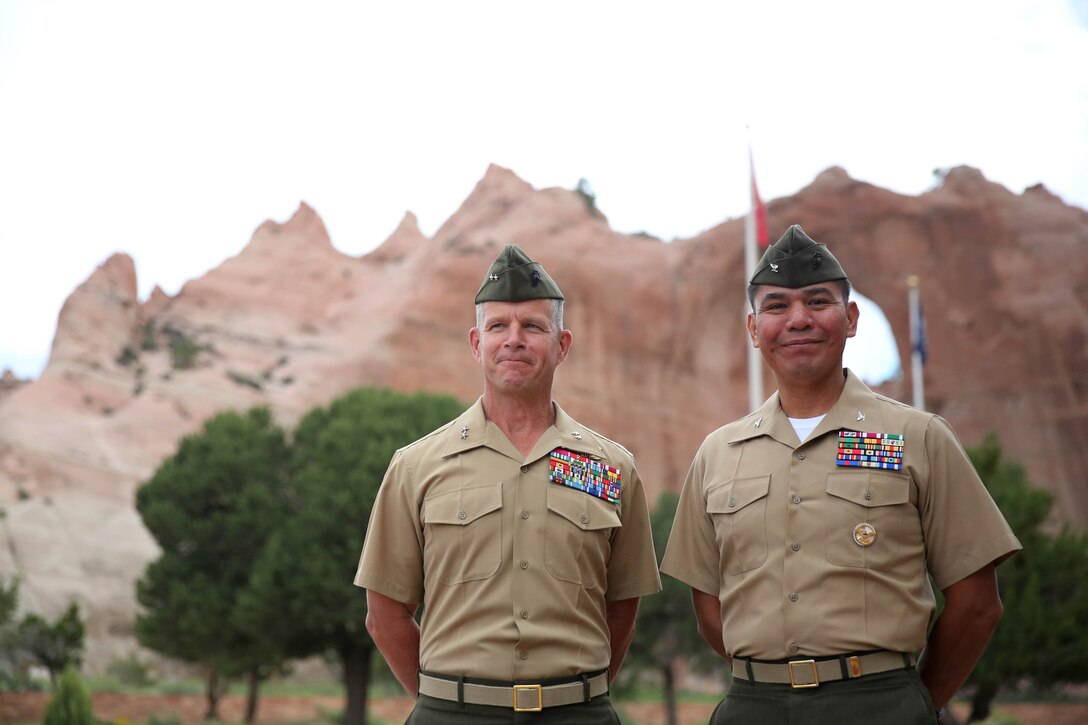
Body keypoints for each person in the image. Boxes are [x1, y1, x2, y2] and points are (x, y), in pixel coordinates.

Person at [661, 225, 1021, 725]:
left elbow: (977, 603)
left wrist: (917, 703)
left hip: (880, 705)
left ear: (850, 319)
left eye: (817, 301)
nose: (798, 320)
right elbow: (707, 606)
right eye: (776, 307)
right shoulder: (718, 454)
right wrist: (773, 679)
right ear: (753, 328)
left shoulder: (919, 437)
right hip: (754, 707)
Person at [355, 244, 661, 724]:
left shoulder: (611, 467)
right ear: (477, 343)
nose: (513, 340)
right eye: (499, 326)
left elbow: (622, 604)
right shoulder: (417, 466)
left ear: (562, 345)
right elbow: (385, 613)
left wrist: (576, 696)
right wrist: (446, 700)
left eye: (533, 327)